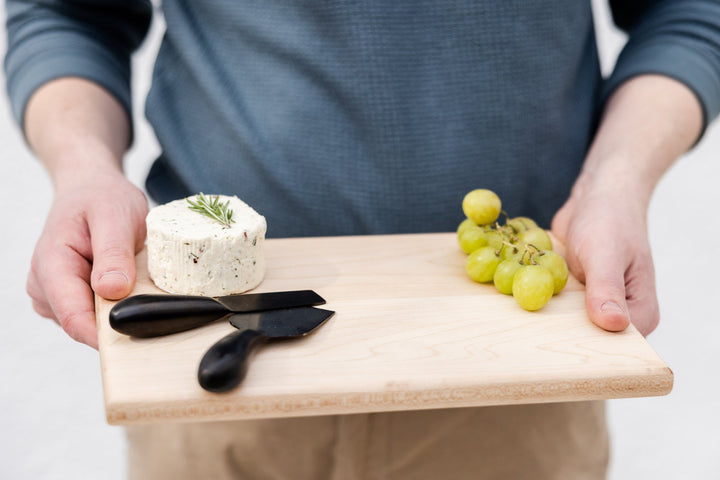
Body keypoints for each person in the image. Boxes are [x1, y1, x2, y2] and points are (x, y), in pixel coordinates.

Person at [5, 1, 719, 478]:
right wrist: (82, 169)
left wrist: (616, 181)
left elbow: (689, 12)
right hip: (215, 402)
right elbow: (68, 12)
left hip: (516, 386)